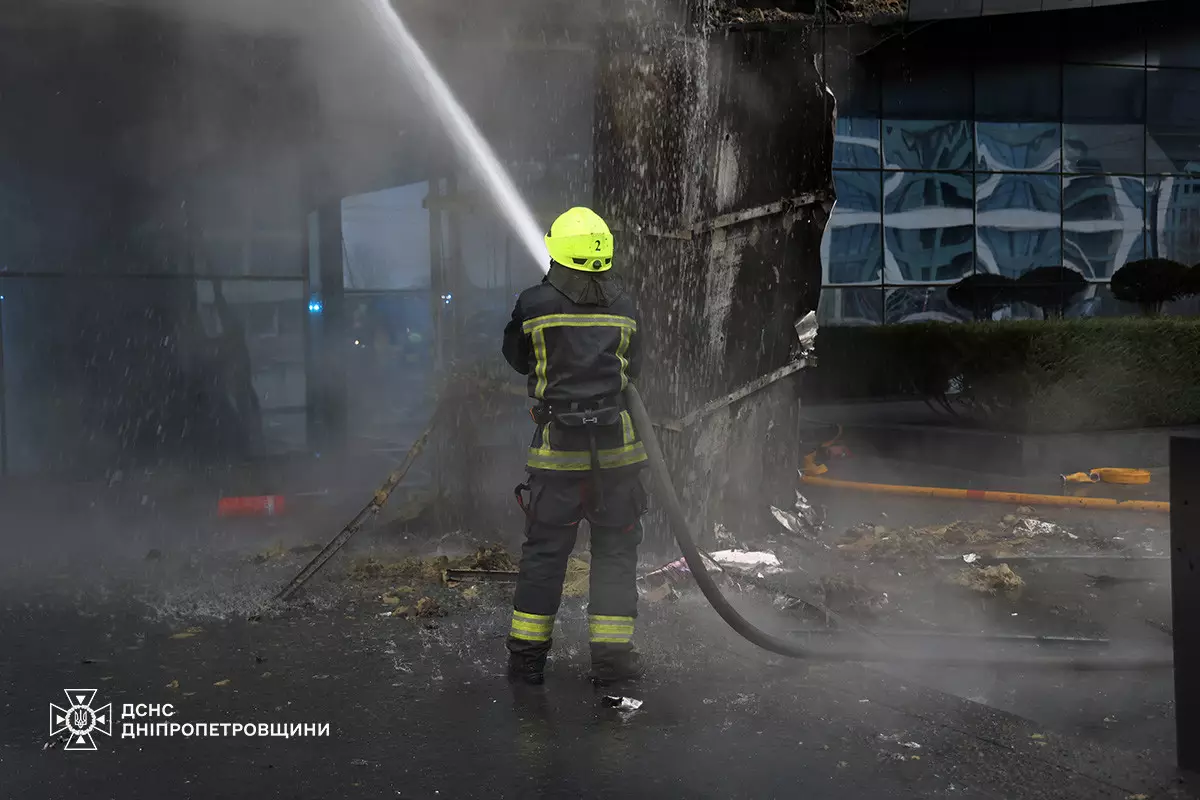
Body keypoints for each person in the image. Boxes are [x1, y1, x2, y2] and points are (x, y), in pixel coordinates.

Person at [502, 206, 650, 686]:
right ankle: (611, 664)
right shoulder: (627, 305)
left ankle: (527, 664)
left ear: (557, 251)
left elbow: (516, 358)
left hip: (557, 458)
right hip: (618, 459)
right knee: (614, 556)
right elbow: (636, 369)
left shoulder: (533, 304)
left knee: (545, 556)